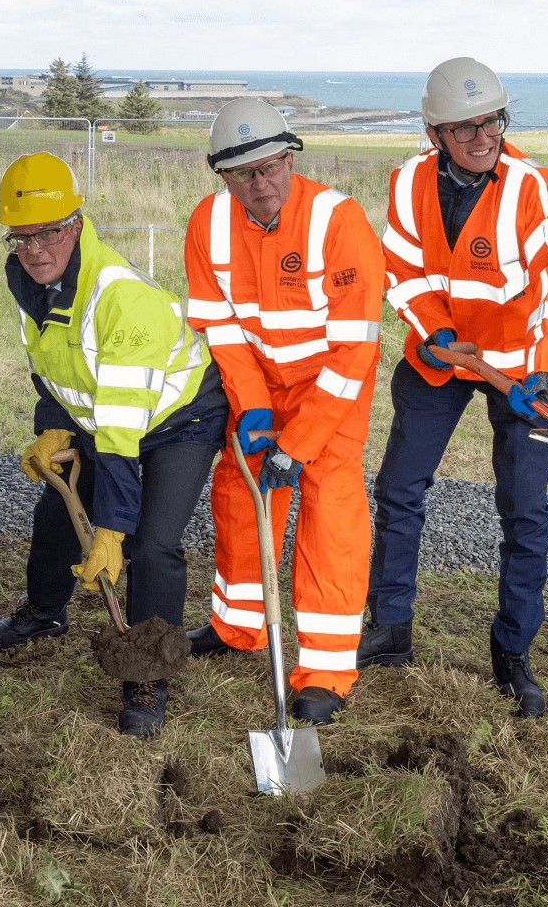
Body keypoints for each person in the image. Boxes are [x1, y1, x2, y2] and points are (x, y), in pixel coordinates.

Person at [363, 57, 548, 718]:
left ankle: (512, 653)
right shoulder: (407, 182)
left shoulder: (535, 189)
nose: (481, 136)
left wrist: (547, 371)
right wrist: (430, 325)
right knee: (399, 488)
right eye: (464, 128)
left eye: (490, 121)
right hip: (439, 359)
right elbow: (400, 265)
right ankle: (392, 627)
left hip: (519, 368)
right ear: (434, 133)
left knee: (525, 509)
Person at [0, 152, 227, 738]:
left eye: (49, 233)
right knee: (57, 512)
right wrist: (53, 427)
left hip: (178, 417)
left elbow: (120, 437)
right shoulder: (29, 283)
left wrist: (112, 530)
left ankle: (148, 671)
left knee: (152, 542)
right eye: (21, 237)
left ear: (77, 223)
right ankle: (44, 612)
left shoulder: (118, 298)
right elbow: (51, 369)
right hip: (104, 417)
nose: (35, 248)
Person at [180, 98, 384, 726]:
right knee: (241, 498)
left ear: (291, 156)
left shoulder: (337, 221)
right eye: (243, 174)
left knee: (329, 514)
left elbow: (353, 350)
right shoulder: (207, 226)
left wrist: (301, 442)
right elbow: (224, 333)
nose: (260, 184)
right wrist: (256, 410)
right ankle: (241, 626)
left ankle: (324, 672)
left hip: (332, 391)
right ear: (222, 176)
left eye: (270, 167)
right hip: (259, 390)